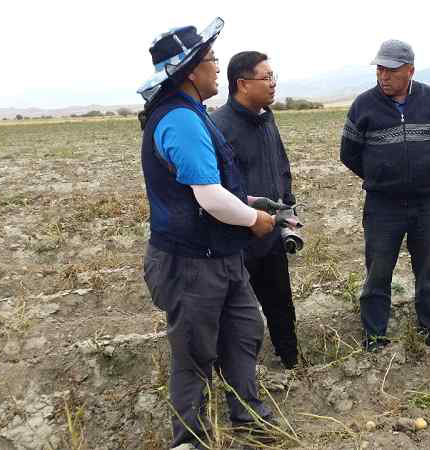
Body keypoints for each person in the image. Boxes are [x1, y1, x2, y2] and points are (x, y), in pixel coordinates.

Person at [137, 19, 289, 447]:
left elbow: (218, 190)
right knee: (193, 352)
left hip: (220, 256)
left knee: (243, 332)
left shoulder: (193, 115)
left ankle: (247, 416)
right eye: (211, 60)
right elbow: (209, 199)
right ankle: (189, 437)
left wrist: (249, 203)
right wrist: (253, 220)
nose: (216, 67)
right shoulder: (181, 121)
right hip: (190, 262)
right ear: (190, 71)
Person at [340, 39, 430, 351]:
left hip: (426, 203)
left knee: (428, 271)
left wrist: (425, 176)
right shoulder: (363, 105)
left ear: (410, 70)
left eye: (391, 69)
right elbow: (348, 154)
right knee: (377, 273)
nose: (383, 75)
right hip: (382, 207)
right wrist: (380, 178)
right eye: (379, 68)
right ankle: (375, 337)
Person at [211, 51, 301, 370]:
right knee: (237, 315)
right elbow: (215, 189)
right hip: (237, 241)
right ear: (243, 84)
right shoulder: (217, 126)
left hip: (271, 233)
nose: (273, 84)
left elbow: (281, 165)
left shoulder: (267, 118)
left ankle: (291, 362)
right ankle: (238, 375)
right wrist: (248, 219)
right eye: (267, 78)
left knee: (281, 305)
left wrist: (287, 206)